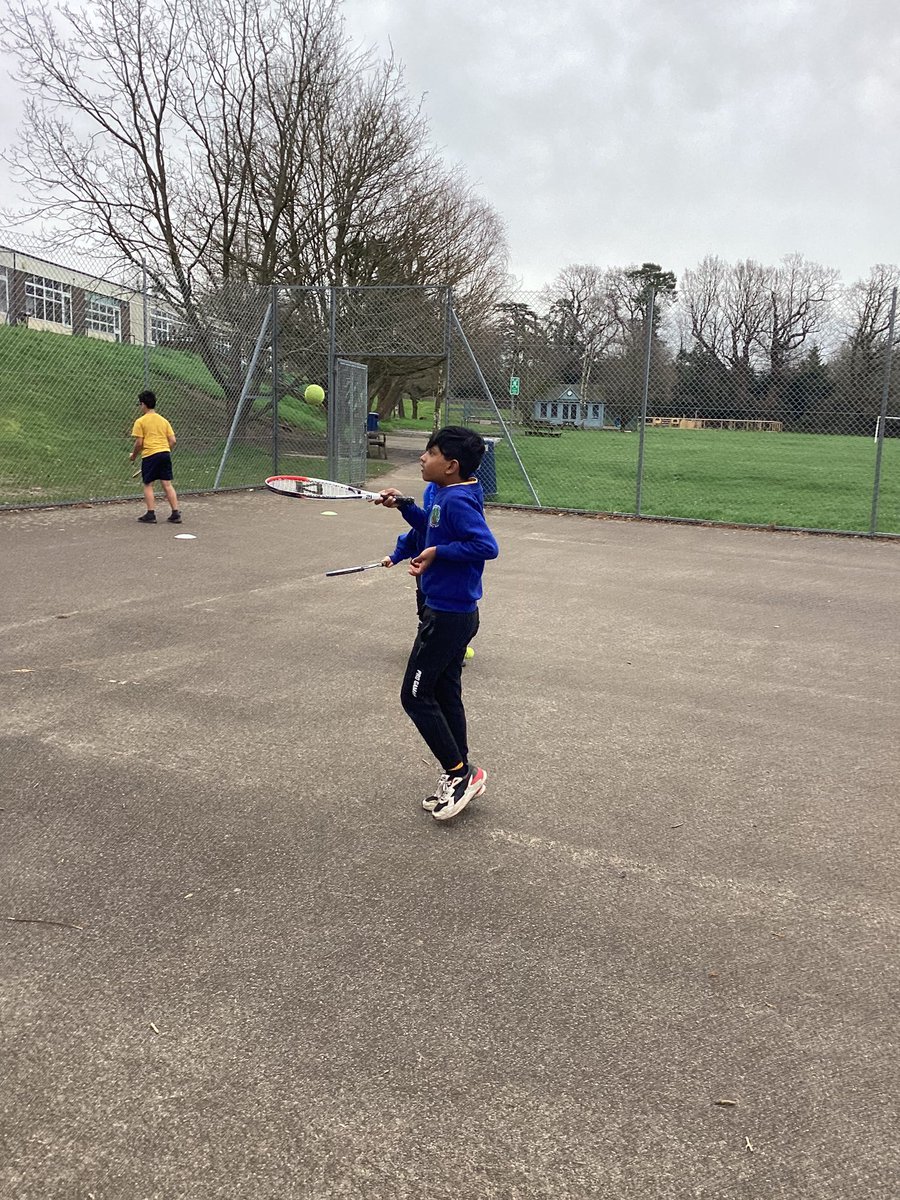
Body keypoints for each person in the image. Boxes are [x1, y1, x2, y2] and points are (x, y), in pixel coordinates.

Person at [377, 426, 499, 821]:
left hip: (449, 615)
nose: (422, 458)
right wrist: (404, 508)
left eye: (429, 453)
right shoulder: (444, 494)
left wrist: (436, 551)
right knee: (445, 692)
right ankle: (462, 771)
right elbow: (430, 525)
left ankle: (460, 773)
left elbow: (486, 546)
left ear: (451, 465)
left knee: (414, 696)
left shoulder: (459, 500)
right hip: (448, 611)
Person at [130, 391, 181, 524]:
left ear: (143, 404)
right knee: (167, 484)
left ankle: (151, 513)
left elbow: (139, 443)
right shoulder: (163, 420)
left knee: (148, 484)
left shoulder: (140, 421)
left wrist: (133, 456)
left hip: (150, 455)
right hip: (164, 453)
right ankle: (175, 513)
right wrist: (164, 450)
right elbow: (173, 440)